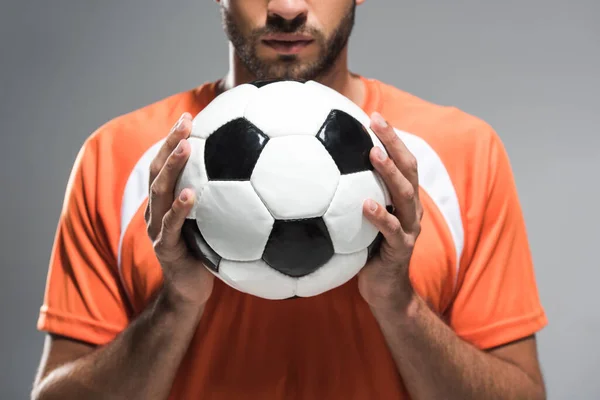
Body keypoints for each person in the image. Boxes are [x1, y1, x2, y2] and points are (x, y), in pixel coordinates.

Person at [31, 1, 548, 399]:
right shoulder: (120, 157)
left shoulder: (460, 154)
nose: (287, 6)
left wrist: (399, 303)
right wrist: (175, 305)